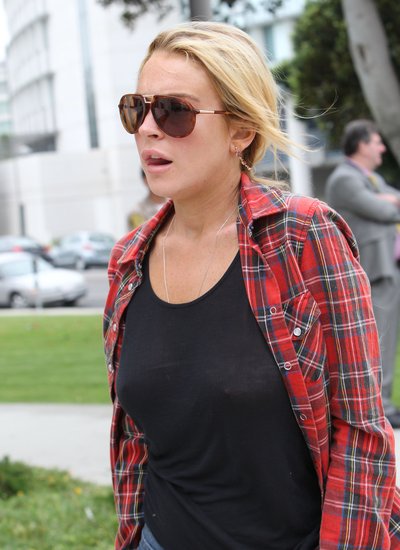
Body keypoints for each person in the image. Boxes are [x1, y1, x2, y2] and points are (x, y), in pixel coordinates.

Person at [104, 22, 400, 550]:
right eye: (136, 109)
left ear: (240, 131)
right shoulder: (128, 262)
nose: (147, 129)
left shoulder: (304, 236)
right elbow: (133, 440)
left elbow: (361, 432)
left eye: (173, 110)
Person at [326, 119, 400, 428]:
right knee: (376, 340)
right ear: (361, 145)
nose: (382, 148)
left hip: (386, 267)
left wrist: (389, 198)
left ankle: (385, 404)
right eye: (377, 142)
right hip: (371, 270)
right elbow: (385, 211)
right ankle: (378, 407)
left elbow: (392, 200)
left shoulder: (371, 178)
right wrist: (388, 201)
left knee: (387, 338)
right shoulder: (344, 179)